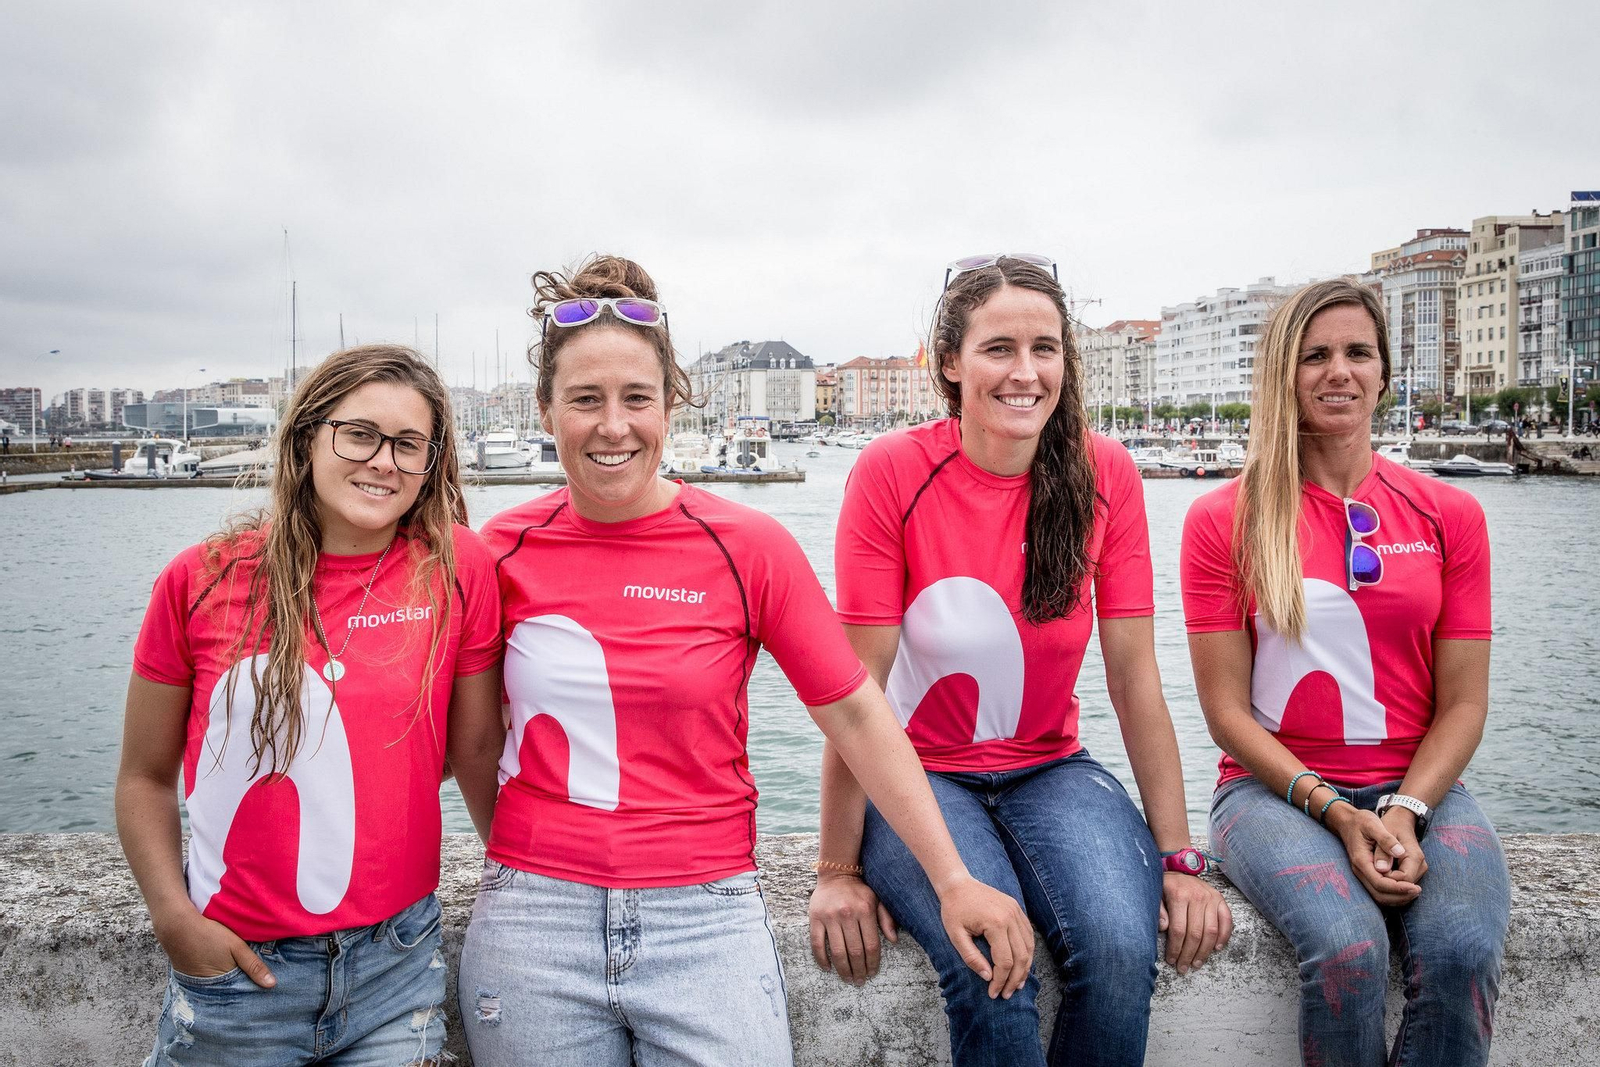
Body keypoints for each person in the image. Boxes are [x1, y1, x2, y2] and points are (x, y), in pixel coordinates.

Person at [451, 254, 1032, 1067]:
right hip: (534, 926)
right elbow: (472, 744)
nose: (613, 425)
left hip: (705, 917)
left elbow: (859, 711)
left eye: (636, 398)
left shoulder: (746, 545)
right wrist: (529, 861)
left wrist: (951, 878)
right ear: (546, 408)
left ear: (670, 405)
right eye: (585, 399)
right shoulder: (498, 548)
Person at [810, 254, 1230, 1067]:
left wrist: (1181, 859)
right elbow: (854, 695)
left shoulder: (1105, 474)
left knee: (1116, 951)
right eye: (999, 347)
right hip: (917, 773)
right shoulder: (891, 472)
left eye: (1046, 348)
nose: (1026, 372)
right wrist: (835, 866)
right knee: (990, 963)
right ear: (950, 364)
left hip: (1050, 766)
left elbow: (1136, 677)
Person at [116, 344, 503, 1066]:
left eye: (408, 443)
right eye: (359, 433)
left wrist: (522, 886)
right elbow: (143, 774)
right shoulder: (200, 580)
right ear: (308, 437)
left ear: (431, 463)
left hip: (397, 966)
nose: (383, 460)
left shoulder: (457, 566)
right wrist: (174, 919)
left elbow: (475, 750)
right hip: (239, 975)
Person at [1181, 279, 1510, 1066]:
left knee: (1462, 948)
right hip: (1270, 793)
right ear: (1282, 375)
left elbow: (1463, 702)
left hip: (1420, 787)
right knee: (1347, 949)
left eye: (1358, 352)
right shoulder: (1224, 519)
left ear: (1385, 373)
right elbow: (1226, 710)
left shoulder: (1448, 515)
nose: (1339, 371)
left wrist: (1404, 810)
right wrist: (1334, 809)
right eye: (1314, 355)